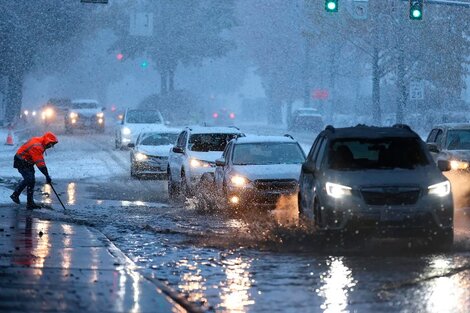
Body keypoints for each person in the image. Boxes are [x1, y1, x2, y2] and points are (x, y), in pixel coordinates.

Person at [10, 132, 58, 209]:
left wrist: (46, 175)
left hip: (27, 161)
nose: (51, 146)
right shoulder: (37, 146)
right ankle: (16, 195)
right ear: (47, 141)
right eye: (51, 144)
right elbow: (40, 162)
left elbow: (39, 160)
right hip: (21, 161)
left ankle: (29, 203)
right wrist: (46, 175)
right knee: (29, 179)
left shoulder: (40, 142)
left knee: (31, 181)